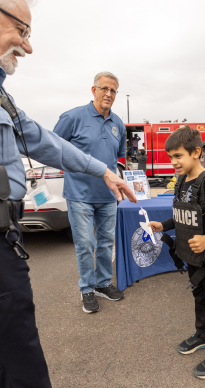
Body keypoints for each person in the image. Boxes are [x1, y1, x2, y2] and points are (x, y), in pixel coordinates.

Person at [0, 0, 136, 387]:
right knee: (22, 369)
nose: (29, 46)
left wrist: (104, 171)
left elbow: (36, 137)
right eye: (21, 30)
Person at [148, 126, 205, 379]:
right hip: (192, 257)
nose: (173, 162)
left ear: (196, 152)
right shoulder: (181, 181)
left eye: (178, 156)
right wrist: (163, 225)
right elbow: (183, 215)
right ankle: (203, 335)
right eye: (170, 157)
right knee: (199, 297)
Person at [54, 72, 127, 314]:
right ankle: (86, 288)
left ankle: (103, 284)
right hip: (79, 195)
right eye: (104, 88)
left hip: (107, 197)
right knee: (85, 244)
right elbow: (54, 148)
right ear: (93, 90)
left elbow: (118, 157)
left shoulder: (118, 124)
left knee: (106, 244)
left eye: (113, 90)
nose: (108, 94)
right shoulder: (73, 117)